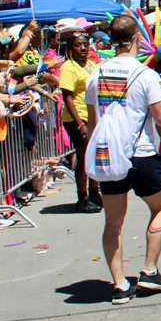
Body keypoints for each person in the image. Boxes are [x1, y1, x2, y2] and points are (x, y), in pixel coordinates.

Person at [85, 14, 161, 305]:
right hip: (141, 153)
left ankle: (120, 285)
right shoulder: (146, 75)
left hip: (109, 156)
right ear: (138, 37)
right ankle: (149, 271)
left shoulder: (96, 74)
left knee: (113, 222)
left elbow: (92, 120)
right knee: (160, 208)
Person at [60, 31, 101, 213]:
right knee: (84, 157)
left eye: (85, 44)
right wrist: (80, 124)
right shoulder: (68, 67)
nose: (83, 48)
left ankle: (94, 192)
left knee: (94, 156)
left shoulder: (90, 64)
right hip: (77, 117)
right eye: (78, 45)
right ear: (70, 49)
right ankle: (82, 198)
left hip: (92, 116)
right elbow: (67, 97)